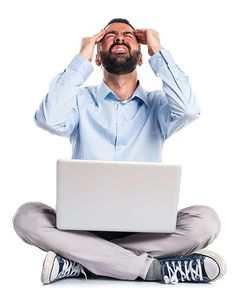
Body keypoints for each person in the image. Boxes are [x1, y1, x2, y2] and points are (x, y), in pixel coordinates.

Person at [12, 18, 226, 285]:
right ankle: (150, 270)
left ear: (139, 59)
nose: (120, 38)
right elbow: (48, 119)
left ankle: (82, 264)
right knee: (26, 216)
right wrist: (81, 58)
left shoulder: (159, 105)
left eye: (128, 34)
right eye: (110, 35)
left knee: (206, 222)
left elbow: (189, 109)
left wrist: (158, 50)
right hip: (83, 228)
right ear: (99, 57)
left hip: (144, 229)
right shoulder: (79, 101)